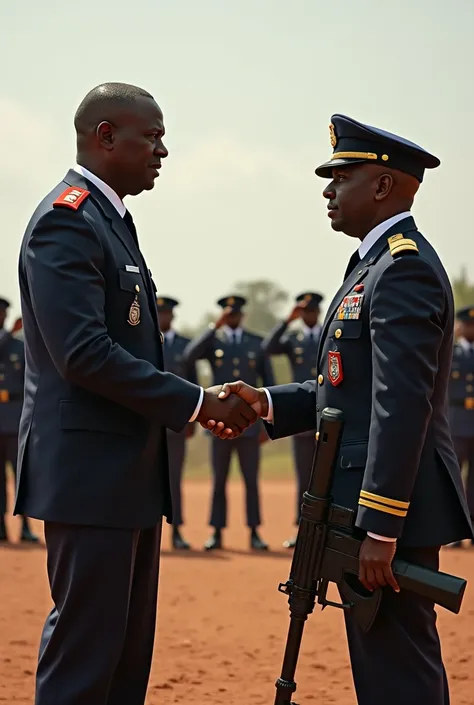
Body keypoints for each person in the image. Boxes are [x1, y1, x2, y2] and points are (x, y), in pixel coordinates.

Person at [209, 114, 474, 705]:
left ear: (382, 186)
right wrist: (268, 403)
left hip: (387, 510)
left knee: (398, 672)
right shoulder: (372, 263)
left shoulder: (402, 266)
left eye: (340, 176)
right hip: (367, 502)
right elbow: (347, 389)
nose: (327, 190)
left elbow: (399, 406)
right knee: (383, 668)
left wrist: (381, 524)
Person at [14, 82, 256, 705]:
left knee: (123, 662)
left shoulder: (110, 220)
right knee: (85, 663)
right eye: (152, 137)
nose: (163, 151)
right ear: (105, 137)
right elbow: (83, 354)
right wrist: (198, 403)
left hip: (124, 476)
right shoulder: (66, 221)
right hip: (91, 478)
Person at [183, 295, 275, 551]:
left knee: (251, 480)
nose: (232, 318)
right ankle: (216, 532)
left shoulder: (256, 343)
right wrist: (214, 327)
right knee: (219, 481)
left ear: (242, 315)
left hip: (250, 425)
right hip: (219, 424)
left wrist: (268, 424)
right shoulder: (214, 342)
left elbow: (269, 384)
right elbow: (189, 357)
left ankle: (255, 532)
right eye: (228, 314)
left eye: (235, 314)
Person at [262, 291, 323, 548]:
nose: (308, 316)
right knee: (303, 479)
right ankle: (304, 533)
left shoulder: (329, 333)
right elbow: (267, 348)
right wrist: (287, 320)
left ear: (318, 312)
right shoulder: (294, 338)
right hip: (303, 418)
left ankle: (329, 535)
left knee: (331, 478)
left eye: (311, 311)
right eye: (304, 311)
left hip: (328, 413)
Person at [157, 295, 196, 550]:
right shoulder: (144, 341)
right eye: (158, 314)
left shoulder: (185, 346)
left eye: (166, 314)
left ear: (172, 316)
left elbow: (193, 383)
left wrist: (193, 416)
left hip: (177, 423)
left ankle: (177, 531)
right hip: (149, 421)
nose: (162, 318)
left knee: (174, 480)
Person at [0, 299, 38, 543]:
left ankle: (25, 525)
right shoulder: (8, 341)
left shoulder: (18, 345)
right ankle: (1, 525)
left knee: (22, 475)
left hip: (15, 419)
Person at [448, 305, 474, 547]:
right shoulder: (451, 353)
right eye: (468, 325)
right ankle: (455, 531)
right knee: (455, 478)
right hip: (455, 423)